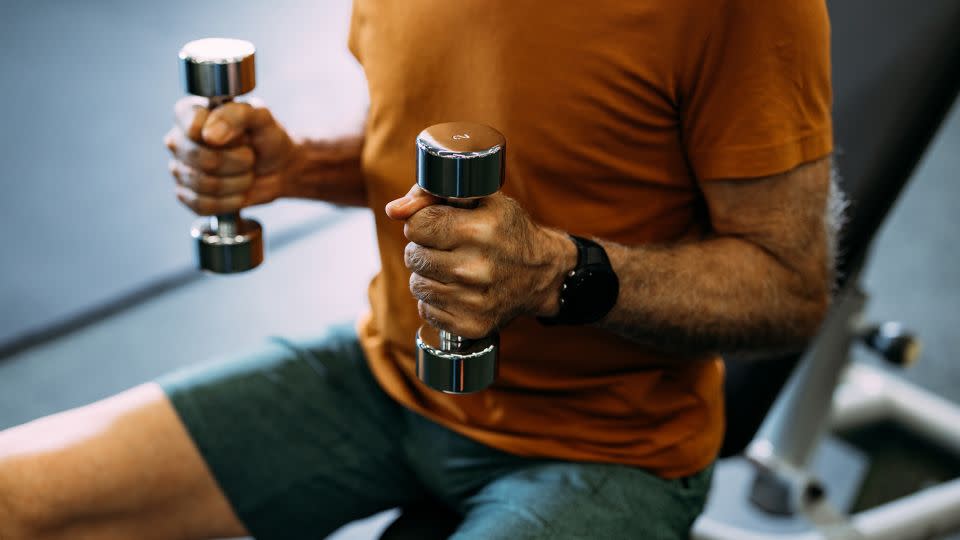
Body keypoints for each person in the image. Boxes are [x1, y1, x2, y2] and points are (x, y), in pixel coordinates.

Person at [0, 1, 836, 538]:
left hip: (610, 444)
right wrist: (291, 167)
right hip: (385, 377)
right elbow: (417, 156)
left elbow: (790, 290)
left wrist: (555, 272)